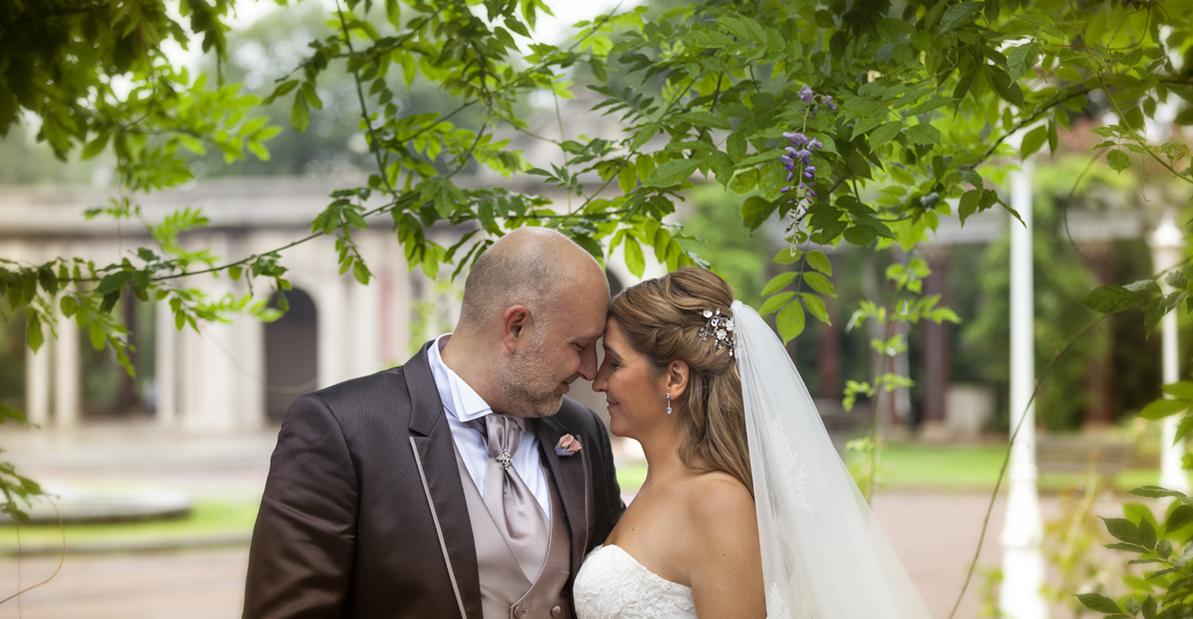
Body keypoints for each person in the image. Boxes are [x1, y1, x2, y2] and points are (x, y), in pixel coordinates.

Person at [243, 227, 625, 619]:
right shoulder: (341, 428)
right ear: (516, 327)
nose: (590, 371)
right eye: (579, 346)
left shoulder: (581, 430)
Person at [573, 267, 933, 619]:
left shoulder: (719, 503)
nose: (598, 380)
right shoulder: (656, 486)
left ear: (675, 378)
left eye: (615, 362)